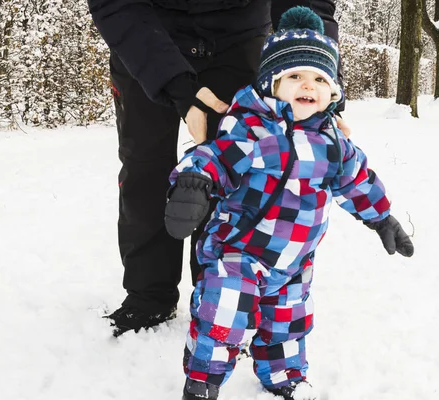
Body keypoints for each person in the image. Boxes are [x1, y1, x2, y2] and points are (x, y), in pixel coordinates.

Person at [164, 7, 414, 400]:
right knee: (223, 315)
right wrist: (194, 180)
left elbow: (356, 180)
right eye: (294, 76)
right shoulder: (251, 129)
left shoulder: (333, 144)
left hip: (294, 262)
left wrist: (381, 217)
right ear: (272, 83)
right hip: (239, 250)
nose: (307, 85)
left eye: (318, 78)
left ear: (332, 92)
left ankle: (284, 378)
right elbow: (215, 156)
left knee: (287, 324)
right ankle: (203, 380)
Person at [87, 0, 347, 337]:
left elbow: (307, 5)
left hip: (238, 36)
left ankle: (220, 297)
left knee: (237, 171)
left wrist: (320, 81)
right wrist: (177, 86)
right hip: (145, 35)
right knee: (144, 169)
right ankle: (149, 297)